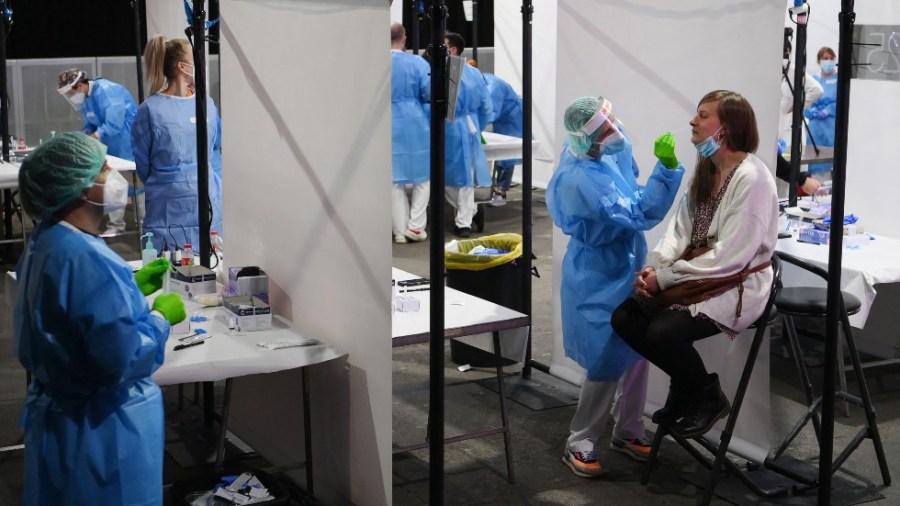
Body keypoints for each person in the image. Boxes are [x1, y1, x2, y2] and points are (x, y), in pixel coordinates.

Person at [14, 132, 186, 505]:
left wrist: (130, 289)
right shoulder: (85, 258)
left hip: (63, 424)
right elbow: (117, 359)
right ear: (78, 188)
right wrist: (159, 318)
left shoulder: (50, 241)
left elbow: (71, 318)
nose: (114, 176)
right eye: (104, 168)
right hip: (102, 432)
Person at [611, 90, 778, 440]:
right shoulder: (707, 170)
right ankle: (689, 387)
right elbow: (679, 230)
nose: (692, 120)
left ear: (727, 127)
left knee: (662, 333)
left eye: (703, 115)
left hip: (736, 282)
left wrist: (666, 277)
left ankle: (704, 393)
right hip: (698, 274)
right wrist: (656, 265)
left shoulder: (753, 177)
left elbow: (732, 256)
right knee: (624, 318)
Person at [546, 96, 684, 478]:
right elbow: (638, 211)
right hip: (596, 272)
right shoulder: (580, 178)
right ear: (588, 137)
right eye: (607, 128)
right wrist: (667, 171)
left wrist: (658, 174)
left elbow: (632, 193)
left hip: (625, 262)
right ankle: (580, 441)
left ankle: (628, 429)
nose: (616, 130)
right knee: (605, 358)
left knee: (638, 351)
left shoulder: (602, 156)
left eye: (612, 121)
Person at [132, 35, 223, 252]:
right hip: (168, 208)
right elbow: (143, 164)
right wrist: (174, 181)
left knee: (211, 275)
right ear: (182, 66)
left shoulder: (206, 104)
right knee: (169, 275)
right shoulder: (150, 110)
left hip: (208, 200)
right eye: (196, 57)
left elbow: (214, 147)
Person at [57, 68, 138, 236]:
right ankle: (116, 225)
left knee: (137, 182)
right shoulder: (87, 99)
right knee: (112, 180)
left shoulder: (107, 91)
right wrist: (83, 135)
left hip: (128, 140)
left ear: (79, 85)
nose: (71, 97)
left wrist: (95, 135)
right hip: (111, 142)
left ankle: (144, 224)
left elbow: (115, 123)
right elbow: (92, 123)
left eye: (70, 92)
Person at [444, 32, 492, 238]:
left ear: (452, 49)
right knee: (461, 176)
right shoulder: (475, 73)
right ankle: (471, 211)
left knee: (460, 178)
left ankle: (464, 222)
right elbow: (486, 107)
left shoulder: (446, 72)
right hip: (469, 127)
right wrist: (476, 126)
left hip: (452, 127)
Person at [390, 23, 431, 244]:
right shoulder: (418, 62)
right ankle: (415, 227)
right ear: (404, 39)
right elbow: (429, 92)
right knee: (422, 177)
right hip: (415, 123)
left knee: (394, 180)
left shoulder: (376, 63)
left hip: (386, 123)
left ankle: (399, 230)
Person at [483, 73, 524, 207]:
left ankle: (501, 192)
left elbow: (492, 112)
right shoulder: (484, 81)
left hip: (512, 119)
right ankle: (497, 188)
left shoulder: (493, 87)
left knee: (507, 156)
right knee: (500, 154)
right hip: (503, 119)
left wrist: (476, 124)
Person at [804, 46, 838, 176]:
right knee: (815, 159)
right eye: (825, 58)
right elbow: (805, 102)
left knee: (832, 161)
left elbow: (842, 102)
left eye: (831, 58)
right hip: (815, 129)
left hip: (832, 126)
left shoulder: (840, 79)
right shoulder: (814, 80)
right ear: (819, 61)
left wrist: (828, 110)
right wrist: (810, 111)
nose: (828, 61)